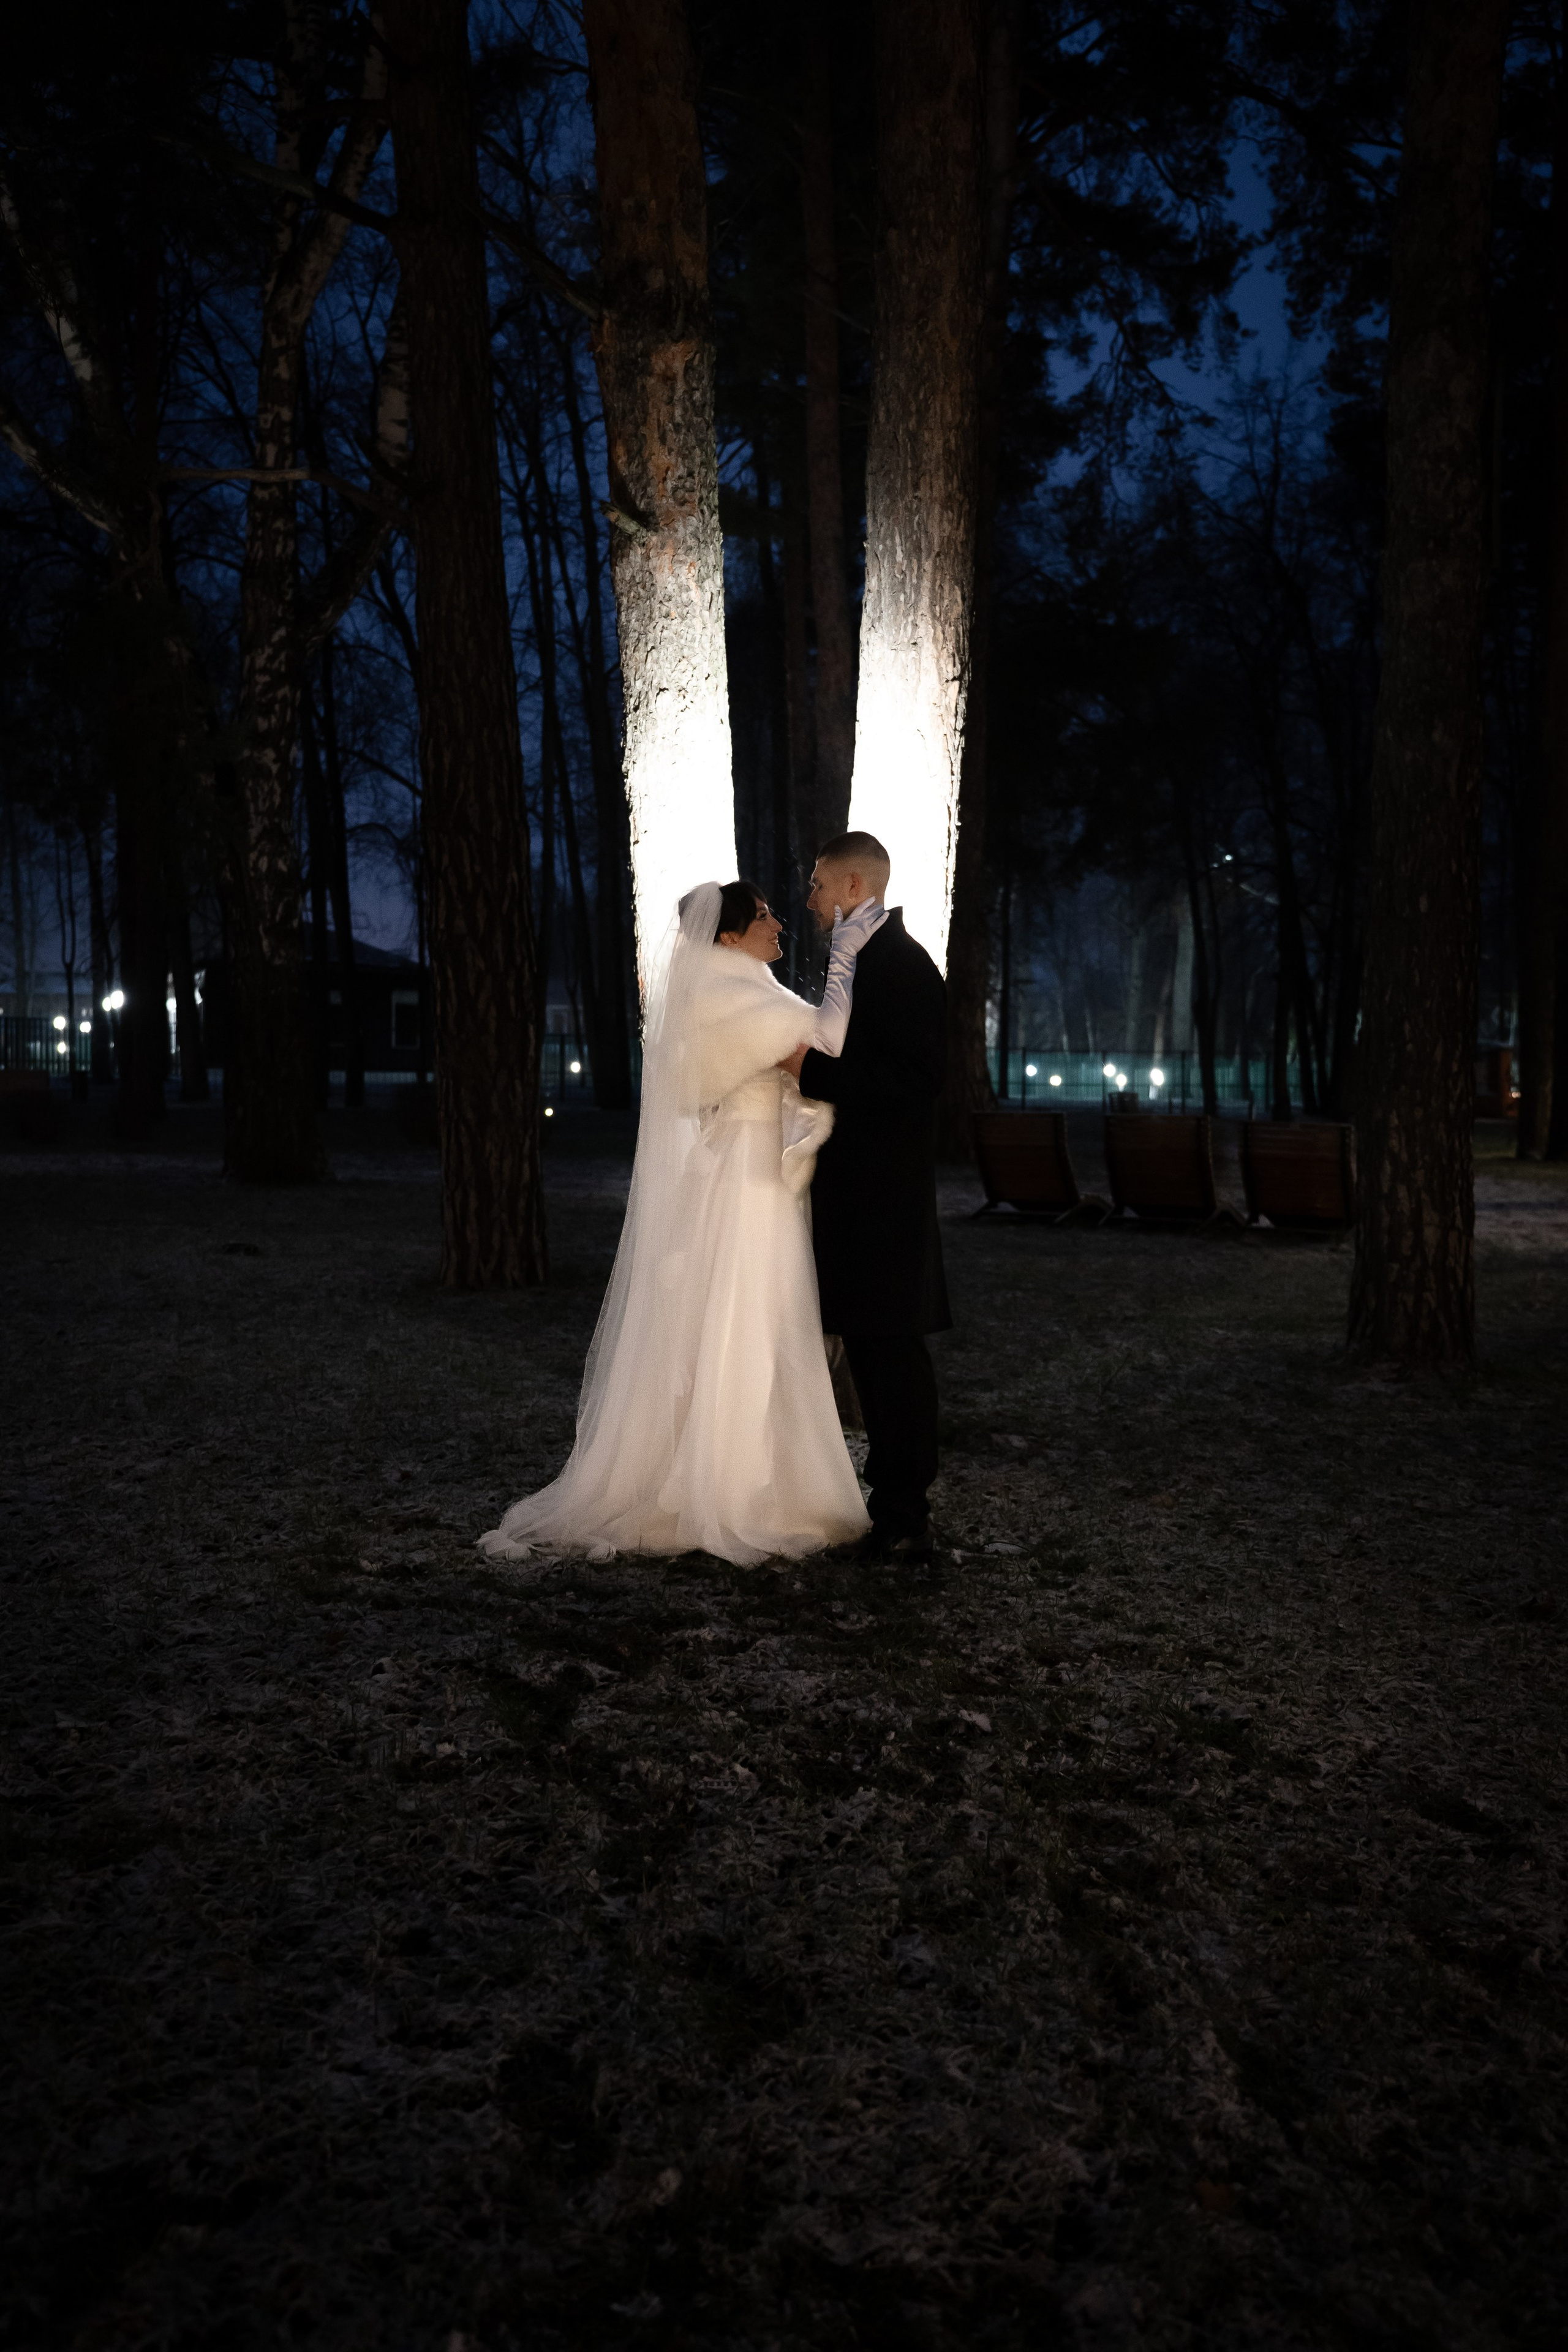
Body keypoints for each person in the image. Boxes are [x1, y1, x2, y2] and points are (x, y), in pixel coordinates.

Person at [478, 880, 869, 1568]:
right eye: (765, 916)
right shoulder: (735, 995)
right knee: (750, 1312)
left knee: (748, 1310)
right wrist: (845, 959)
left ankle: (759, 1468)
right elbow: (827, 1044)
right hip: (749, 1176)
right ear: (729, 935)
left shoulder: (736, 987)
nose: (779, 924)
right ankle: (737, 1483)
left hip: (743, 1164)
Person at [780, 831, 951, 1564]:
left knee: (891, 1354)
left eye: (819, 885)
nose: (810, 900)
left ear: (855, 886)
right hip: (859, 1196)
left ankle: (905, 1517)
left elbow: (917, 1081)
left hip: (885, 1199)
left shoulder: (900, 965)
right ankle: (892, 1510)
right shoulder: (857, 958)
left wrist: (811, 1074)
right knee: (876, 1354)